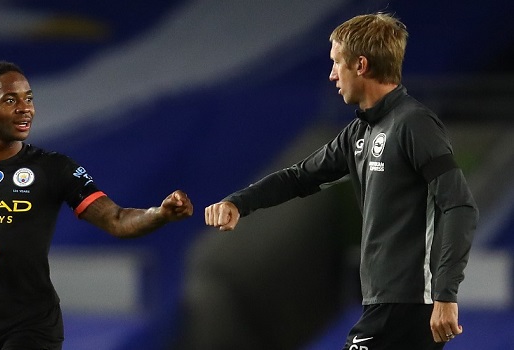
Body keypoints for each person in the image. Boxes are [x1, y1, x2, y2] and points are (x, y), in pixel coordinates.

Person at [205, 13, 478, 350]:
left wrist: (446, 295)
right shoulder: (359, 132)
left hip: (407, 305)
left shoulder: (414, 124)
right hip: (385, 303)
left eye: (337, 63)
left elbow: (459, 205)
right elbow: (301, 177)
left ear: (360, 65)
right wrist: (238, 202)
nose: (333, 74)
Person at [0, 61, 193, 350]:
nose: (25, 108)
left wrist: (160, 214)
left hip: (33, 326)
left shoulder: (53, 168)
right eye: (10, 100)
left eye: (29, 98)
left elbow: (116, 219)